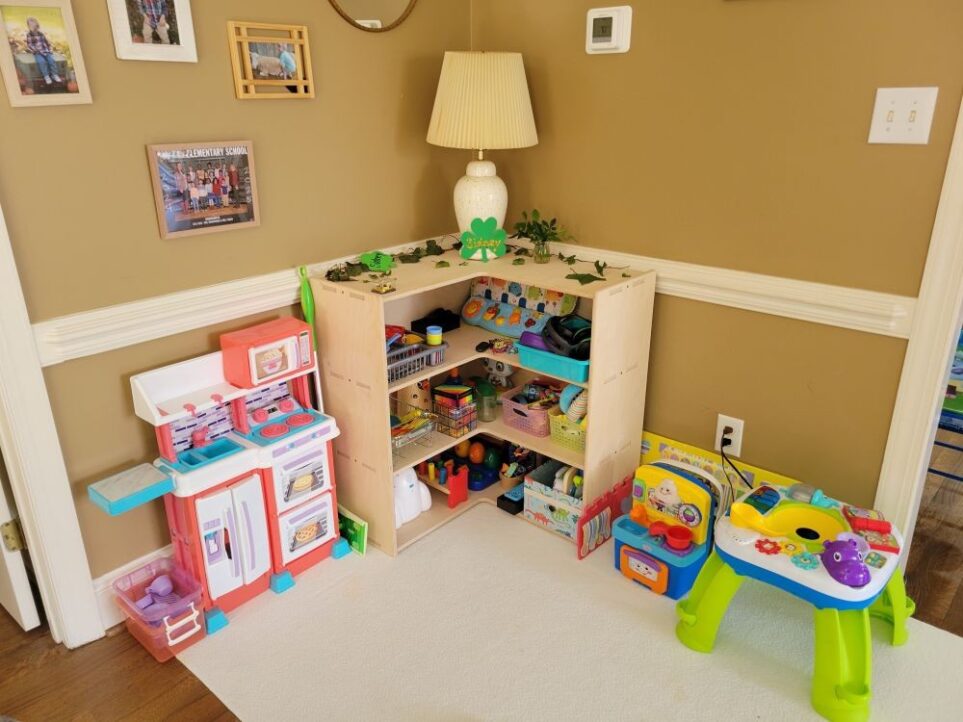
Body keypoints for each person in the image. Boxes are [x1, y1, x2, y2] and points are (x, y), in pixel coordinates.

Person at [24, 17, 61, 85]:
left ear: (37, 27)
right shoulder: (29, 35)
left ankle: (54, 74)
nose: (35, 30)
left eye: (36, 27)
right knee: (42, 62)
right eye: (32, 28)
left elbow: (46, 42)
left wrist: (49, 49)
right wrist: (35, 50)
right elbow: (30, 45)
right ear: (29, 27)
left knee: (51, 61)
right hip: (37, 52)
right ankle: (46, 76)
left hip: (45, 51)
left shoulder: (41, 34)